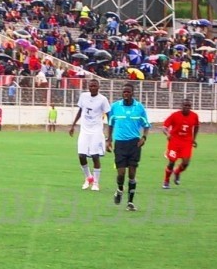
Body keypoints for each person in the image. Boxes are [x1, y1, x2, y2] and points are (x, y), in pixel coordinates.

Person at [106, 83, 151, 211]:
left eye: (128, 92)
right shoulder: (115, 107)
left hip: (134, 144)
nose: (126, 94)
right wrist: (109, 140)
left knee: (132, 174)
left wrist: (144, 138)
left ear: (132, 93)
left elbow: (146, 125)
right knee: (121, 173)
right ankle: (120, 189)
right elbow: (110, 124)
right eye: (124, 92)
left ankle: (130, 203)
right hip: (119, 143)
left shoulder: (139, 107)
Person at [69, 79, 111, 191]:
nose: (92, 88)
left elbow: (109, 116)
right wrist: (73, 125)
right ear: (88, 87)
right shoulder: (83, 96)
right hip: (84, 130)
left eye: (94, 86)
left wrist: (109, 134)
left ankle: (96, 183)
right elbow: (80, 110)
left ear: (98, 87)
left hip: (96, 131)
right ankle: (88, 178)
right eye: (90, 86)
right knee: (81, 155)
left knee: (94, 156)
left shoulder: (103, 99)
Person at [162, 98, 200, 188]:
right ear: (181, 106)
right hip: (174, 142)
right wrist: (167, 134)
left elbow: (197, 126)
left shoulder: (194, 116)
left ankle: (177, 172)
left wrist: (194, 139)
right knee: (172, 161)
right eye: (185, 105)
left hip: (186, 142)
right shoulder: (175, 115)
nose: (186, 107)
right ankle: (166, 181)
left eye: (188, 106)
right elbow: (164, 127)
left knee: (186, 163)